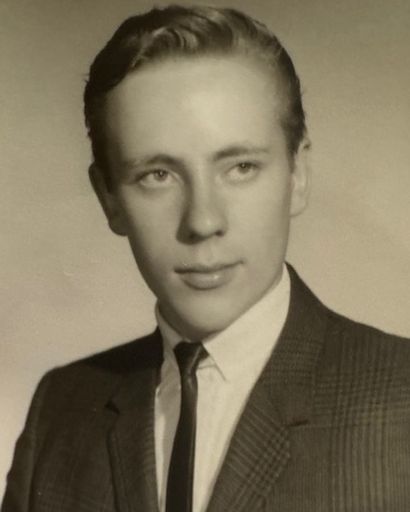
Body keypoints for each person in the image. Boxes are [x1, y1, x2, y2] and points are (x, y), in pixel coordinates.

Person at [2, 4, 410, 512]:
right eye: (157, 175)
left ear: (298, 174)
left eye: (240, 167)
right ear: (109, 198)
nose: (202, 220)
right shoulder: (60, 409)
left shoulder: (401, 399)